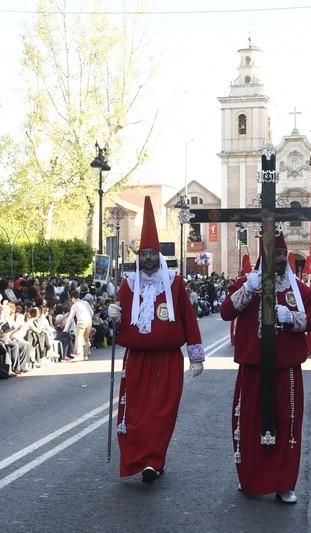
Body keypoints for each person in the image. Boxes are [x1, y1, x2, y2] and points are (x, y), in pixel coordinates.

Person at [107, 196, 205, 484]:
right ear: (139, 256)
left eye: (152, 253)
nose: (148, 258)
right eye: (144, 253)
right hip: (136, 359)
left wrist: (196, 355)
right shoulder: (128, 284)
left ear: (159, 255)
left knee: (161, 413)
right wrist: (113, 315)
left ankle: (154, 461)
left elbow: (188, 318)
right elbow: (119, 323)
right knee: (136, 413)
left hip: (167, 360)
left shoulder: (175, 283)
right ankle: (137, 459)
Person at [220, 232, 311, 504]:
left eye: (279, 253)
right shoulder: (246, 284)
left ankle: (284, 482)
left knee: (287, 425)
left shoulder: (299, 289)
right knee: (249, 424)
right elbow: (227, 311)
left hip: (285, 369)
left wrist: (293, 318)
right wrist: (248, 290)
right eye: (270, 253)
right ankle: (250, 478)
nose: (275, 258)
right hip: (253, 367)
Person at [63, 290, 94, 361]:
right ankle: (86, 355)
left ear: (73, 298)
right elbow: (91, 312)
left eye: (71, 299)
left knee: (79, 338)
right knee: (86, 339)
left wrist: (66, 328)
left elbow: (70, 317)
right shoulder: (85, 303)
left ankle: (79, 355)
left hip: (81, 322)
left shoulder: (75, 305)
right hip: (89, 321)